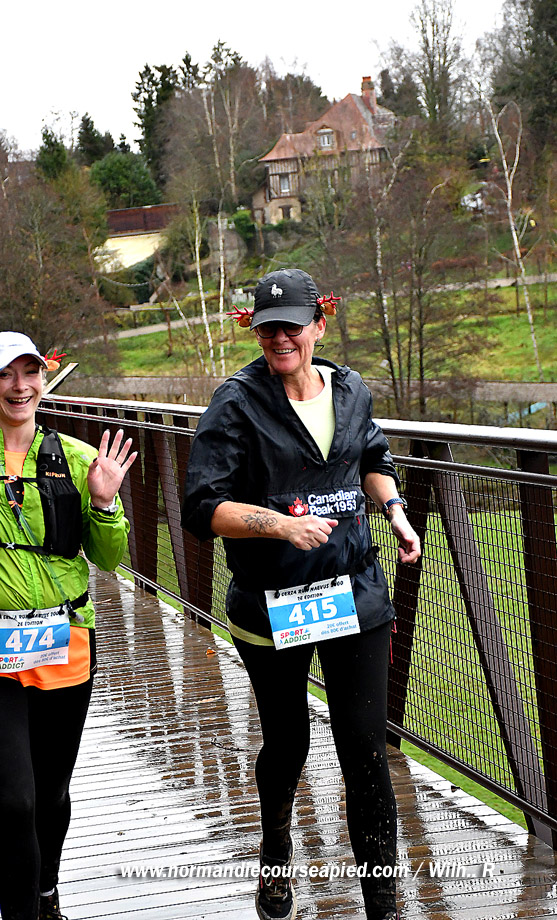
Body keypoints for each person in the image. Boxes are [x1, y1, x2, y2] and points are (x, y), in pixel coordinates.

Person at [182, 269, 421, 920]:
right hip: (273, 600)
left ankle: (383, 905)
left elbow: (372, 458)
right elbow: (201, 506)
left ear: (319, 323)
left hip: (353, 591)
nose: (279, 337)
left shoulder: (351, 389)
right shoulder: (235, 403)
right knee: (288, 742)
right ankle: (276, 848)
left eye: (291, 324)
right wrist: (280, 525)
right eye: (267, 328)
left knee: (365, 751)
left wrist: (395, 511)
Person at [0, 331, 137, 920]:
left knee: (51, 793)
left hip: (63, 643)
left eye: (30, 373)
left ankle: (46, 893)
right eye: (4, 375)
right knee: (17, 799)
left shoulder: (79, 458)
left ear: (44, 379)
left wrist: (104, 504)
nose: (19, 386)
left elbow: (109, 558)